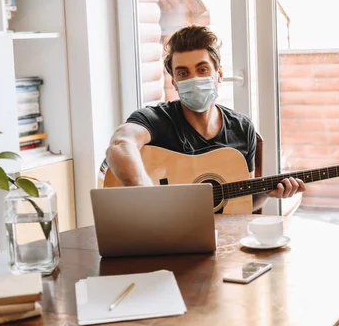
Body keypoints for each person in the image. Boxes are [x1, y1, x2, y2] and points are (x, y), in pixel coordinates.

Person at [105, 25, 305, 211]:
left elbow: (242, 202)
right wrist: (146, 193)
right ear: (174, 82)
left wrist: (268, 192)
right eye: (183, 73)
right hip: (165, 235)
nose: (193, 79)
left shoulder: (242, 128)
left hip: (224, 237)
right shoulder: (156, 119)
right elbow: (121, 144)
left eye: (202, 70)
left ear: (218, 74)